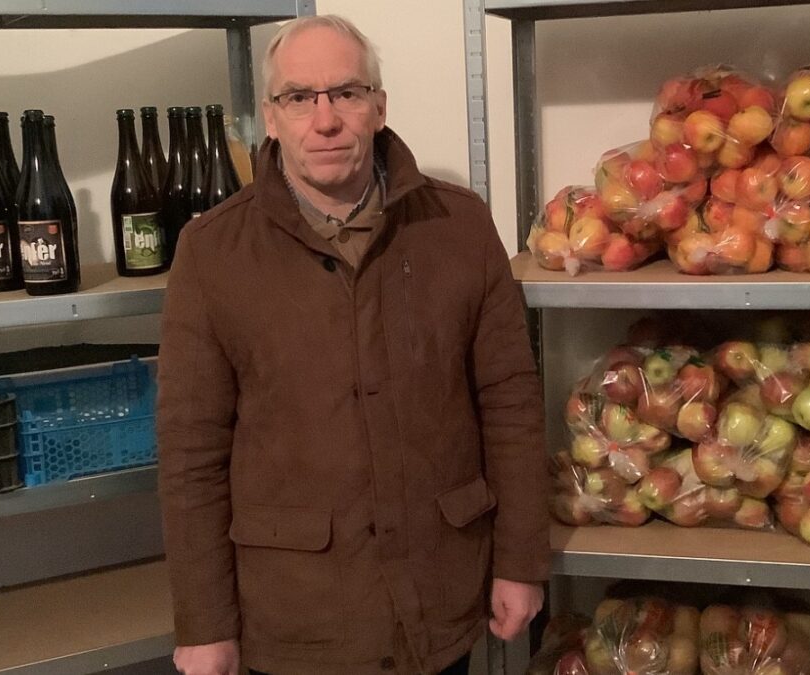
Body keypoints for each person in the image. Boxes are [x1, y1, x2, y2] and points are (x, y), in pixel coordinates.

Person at [156, 14, 549, 675]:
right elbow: (191, 452)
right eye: (299, 97)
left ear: (378, 106)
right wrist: (204, 622)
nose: (326, 118)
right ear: (271, 118)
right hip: (296, 618)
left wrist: (519, 560)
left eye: (346, 92)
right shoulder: (212, 252)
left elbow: (510, 402)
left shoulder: (459, 226)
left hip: (439, 596)